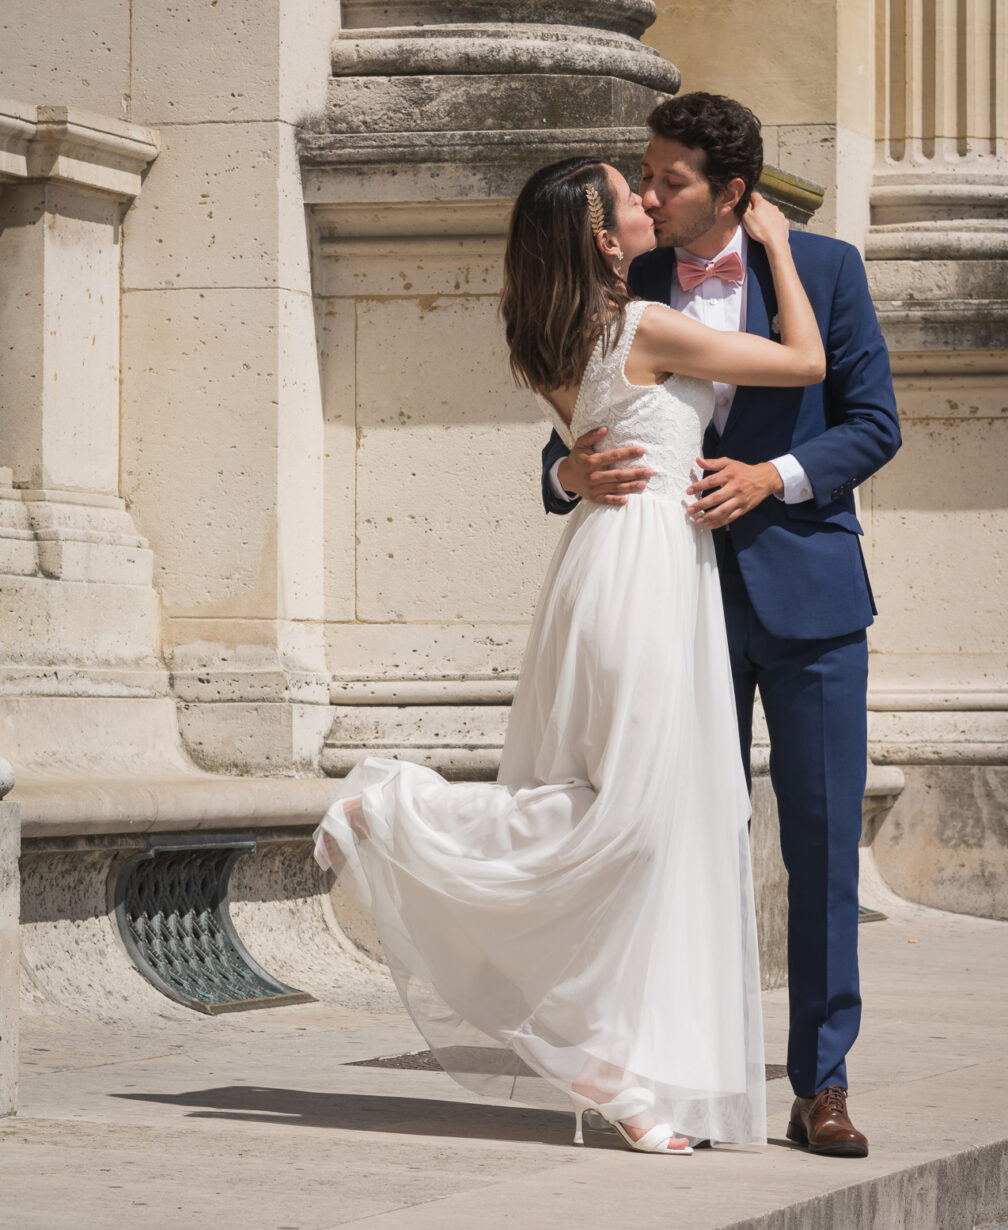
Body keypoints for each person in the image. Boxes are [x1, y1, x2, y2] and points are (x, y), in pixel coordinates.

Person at [315, 155, 826, 1156]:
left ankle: (617, 1068)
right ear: (603, 241)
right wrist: (777, 248)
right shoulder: (643, 328)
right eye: (629, 199)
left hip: (619, 565)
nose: (647, 203)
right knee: (626, 815)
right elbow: (805, 361)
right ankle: (395, 808)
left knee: (659, 818)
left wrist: (564, 465)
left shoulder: (554, 337)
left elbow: (582, 446)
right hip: (640, 575)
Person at [542, 93, 902, 1158]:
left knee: (824, 841)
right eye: (644, 179)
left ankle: (820, 1082)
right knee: (665, 829)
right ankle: (664, 1061)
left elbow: (874, 423)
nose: (649, 195)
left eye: (670, 181)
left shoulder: (826, 268)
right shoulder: (635, 281)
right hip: (671, 595)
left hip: (809, 600)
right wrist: (565, 471)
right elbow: (585, 421)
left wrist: (773, 476)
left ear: (730, 191)